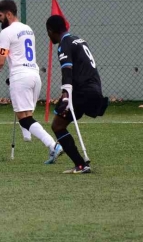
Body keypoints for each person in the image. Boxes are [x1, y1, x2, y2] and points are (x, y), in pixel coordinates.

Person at [0, 0, 63, 164]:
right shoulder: (28, 29)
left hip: (21, 77)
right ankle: (28, 137)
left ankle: (53, 145)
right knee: (26, 115)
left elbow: (0, 61)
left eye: (0, 15)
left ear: (9, 14)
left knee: (24, 118)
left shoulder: (6, 32)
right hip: (34, 76)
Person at [46, 14, 109, 174]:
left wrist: (66, 96)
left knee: (57, 126)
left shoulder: (64, 44)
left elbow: (67, 70)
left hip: (82, 92)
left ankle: (81, 165)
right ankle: (80, 164)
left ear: (51, 31)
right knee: (59, 124)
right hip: (94, 89)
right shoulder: (78, 39)